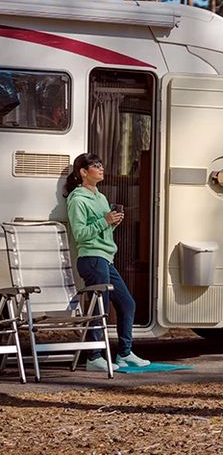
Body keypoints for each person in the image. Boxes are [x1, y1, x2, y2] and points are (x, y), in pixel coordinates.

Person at [64, 153, 150, 372]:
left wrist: (112, 223)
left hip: (105, 258)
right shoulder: (77, 199)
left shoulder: (100, 197)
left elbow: (101, 228)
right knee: (100, 306)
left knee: (127, 303)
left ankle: (125, 353)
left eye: (101, 164)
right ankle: (94, 357)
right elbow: (80, 234)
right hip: (92, 258)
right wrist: (105, 221)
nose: (101, 168)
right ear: (84, 172)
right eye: (96, 165)